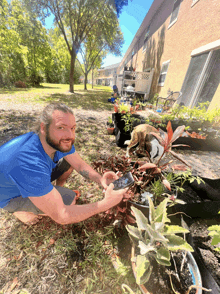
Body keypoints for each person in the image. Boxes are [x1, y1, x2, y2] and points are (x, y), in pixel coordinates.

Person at [0, 103, 128, 225]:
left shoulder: (55, 142)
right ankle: (20, 210)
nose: (70, 135)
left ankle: (53, 193)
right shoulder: (29, 163)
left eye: (72, 128)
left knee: (68, 163)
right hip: (11, 195)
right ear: (43, 127)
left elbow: (80, 165)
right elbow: (62, 215)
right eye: (61, 127)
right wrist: (106, 203)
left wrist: (101, 180)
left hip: (25, 178)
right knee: (68, 202)